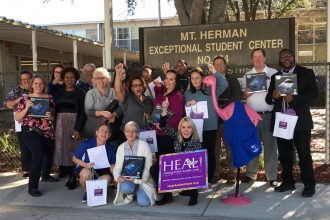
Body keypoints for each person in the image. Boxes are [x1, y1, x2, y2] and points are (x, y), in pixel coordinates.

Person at [266, 48, 318, 197]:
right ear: (280, 60)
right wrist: (274, 96)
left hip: (300, 122)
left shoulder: (306, 73)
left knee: (304, 154)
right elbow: (268, 99)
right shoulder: (276, 76)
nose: (286, 58)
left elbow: (314, 93)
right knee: (284, 155)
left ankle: (309, 184)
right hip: (282, 121)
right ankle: (288, 181)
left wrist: (294, 99)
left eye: (288, 55)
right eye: (283, 56)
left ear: (293, 57)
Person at [184, 64, 228, 187]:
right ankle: (198, 179)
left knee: (209, 153)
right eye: (192, 78)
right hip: (195, 129)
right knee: (196, 154)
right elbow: (185, 110)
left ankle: (207, 181)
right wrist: (188, 105)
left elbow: (224, 85)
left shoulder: (211, 89)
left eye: (197, 77)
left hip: (210, 127)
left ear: (203, 78)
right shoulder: (188, 93)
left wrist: (214, 71)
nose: (195, 80)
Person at [15, 74, 58, 197]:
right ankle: (33, 187)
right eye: (36, 83)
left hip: (48, 131)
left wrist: (52, 117)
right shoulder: (25, 99)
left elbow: (53, 116)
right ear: (32, 85)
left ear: (44, 85)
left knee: (49, 155)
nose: (38, 85)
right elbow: (17, 117)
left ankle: (45, 176)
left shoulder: (50, 98)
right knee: (38, 153)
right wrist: (27, 108)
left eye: (41, 83)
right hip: (31, 130)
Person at [241, 48, 278, 187]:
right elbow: (243, 96)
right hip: (252, 117)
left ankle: (272, 176)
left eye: (260, 56)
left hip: (268, 115)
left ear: (265, 58)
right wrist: (247, 93)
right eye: (255, 57)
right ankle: (251, 175)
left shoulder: (273, 73)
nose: (257, 59)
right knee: (252, 146)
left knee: (270, 147)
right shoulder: (247, 75)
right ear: (252, 59)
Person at [150, 69, 184, 205]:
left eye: (171, 79)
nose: (167, 81)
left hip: (167, 136)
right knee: (159, 163)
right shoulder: (162, 92)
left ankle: (167, 195)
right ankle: (164, 191)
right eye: (166, 78)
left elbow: (177, 119)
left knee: (165, 166)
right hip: (157, 134)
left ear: (176, 82)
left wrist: (162, 125)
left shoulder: (178, 97)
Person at [159, 109, 202, 206]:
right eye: (183, 127)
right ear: (180, 128)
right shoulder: (177, 136)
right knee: (155, 168)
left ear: (192, 129)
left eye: (189, 127)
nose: (186, 130)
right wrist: (164, 113)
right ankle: (167, 196)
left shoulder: (196, 142)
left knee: (193, 169)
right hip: (178, 170)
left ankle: (193, 193)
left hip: (190, 172)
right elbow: (163, 126)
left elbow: (198, 166)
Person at [113, 121, 158, 207]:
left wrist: (137, 181)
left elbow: (148, 167)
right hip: (128, 179)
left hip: (144, 180)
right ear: (124, 133)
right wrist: (117, 177)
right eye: (128, 131)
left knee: (144, 203)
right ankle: (131, 192)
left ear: (137, 133)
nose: (130, 133)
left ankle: (138, 191)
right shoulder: (121, 148)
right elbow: (118, 166)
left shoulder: (144, 145)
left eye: (133, 131)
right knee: (125, 187)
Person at [212, 56, 242, 184]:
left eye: (221, 64)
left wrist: (223, 110)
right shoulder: (210, 79)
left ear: (225, 66)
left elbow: (236, 97)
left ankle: (232, 174)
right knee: (215, 150)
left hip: (228, 119)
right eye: (216, 64)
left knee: (230, 149)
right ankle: (215, 173)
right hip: (213, 120)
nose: (218, 66)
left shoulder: (232, 79)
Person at [53, 67, 86, 179]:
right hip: (60, 124)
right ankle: (63, 170)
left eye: (72, 77)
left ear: (76, 78)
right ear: (63, 78)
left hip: (74, 122)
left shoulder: (81, 93)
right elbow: (54, 109)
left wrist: (78, 129)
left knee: (74, 146)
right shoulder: (58, 92)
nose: (69, 79)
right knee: (61, 146)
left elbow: (82, 112)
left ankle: (74, 171)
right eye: (67, 77)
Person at [72, 124, 116, 203]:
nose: (104, 133)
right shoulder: (86, 144)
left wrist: (113, 169)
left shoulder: (110, 148)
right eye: (102, 131)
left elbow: (113, 163)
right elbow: (74, 158)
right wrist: (86, 165)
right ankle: (87, 192)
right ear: (97, 133)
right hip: (86, 167)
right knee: (86, 174)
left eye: (106, 132)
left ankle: (95, 194)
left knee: (107, 179)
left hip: (102, 170)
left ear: (109, 135)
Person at [114, 63, 153, 144]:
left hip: (143, 136)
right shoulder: (128, 97)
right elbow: (118, 91)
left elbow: (153, 117)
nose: (138, 88)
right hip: (127, 136)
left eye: (140, 85)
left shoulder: (148, 100)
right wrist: (118, 73)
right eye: (135, 86)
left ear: (143, 86)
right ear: (131, 88)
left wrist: (150, 117)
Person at [5, 70, 32, 178]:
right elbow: (7, 104)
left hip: (36, 121)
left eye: (28, 79)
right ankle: (27, 169)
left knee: (36, 144)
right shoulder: (16, 90)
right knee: (24, 145)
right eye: (23, 79)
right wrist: (19, 100)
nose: (25, 81)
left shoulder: (36, 86)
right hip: (20, 120)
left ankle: (38, 167)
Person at [83, 67, 117, 139]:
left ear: (108, 79)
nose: (101, 80)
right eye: (98, 78)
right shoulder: (90, 93)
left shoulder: (113, 91)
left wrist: (114, 115)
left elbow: (121, 106)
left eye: (103, 77)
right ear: (94, 80)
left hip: (109, 131)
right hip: (93, 130)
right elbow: (88, 111)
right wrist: (102, 113)